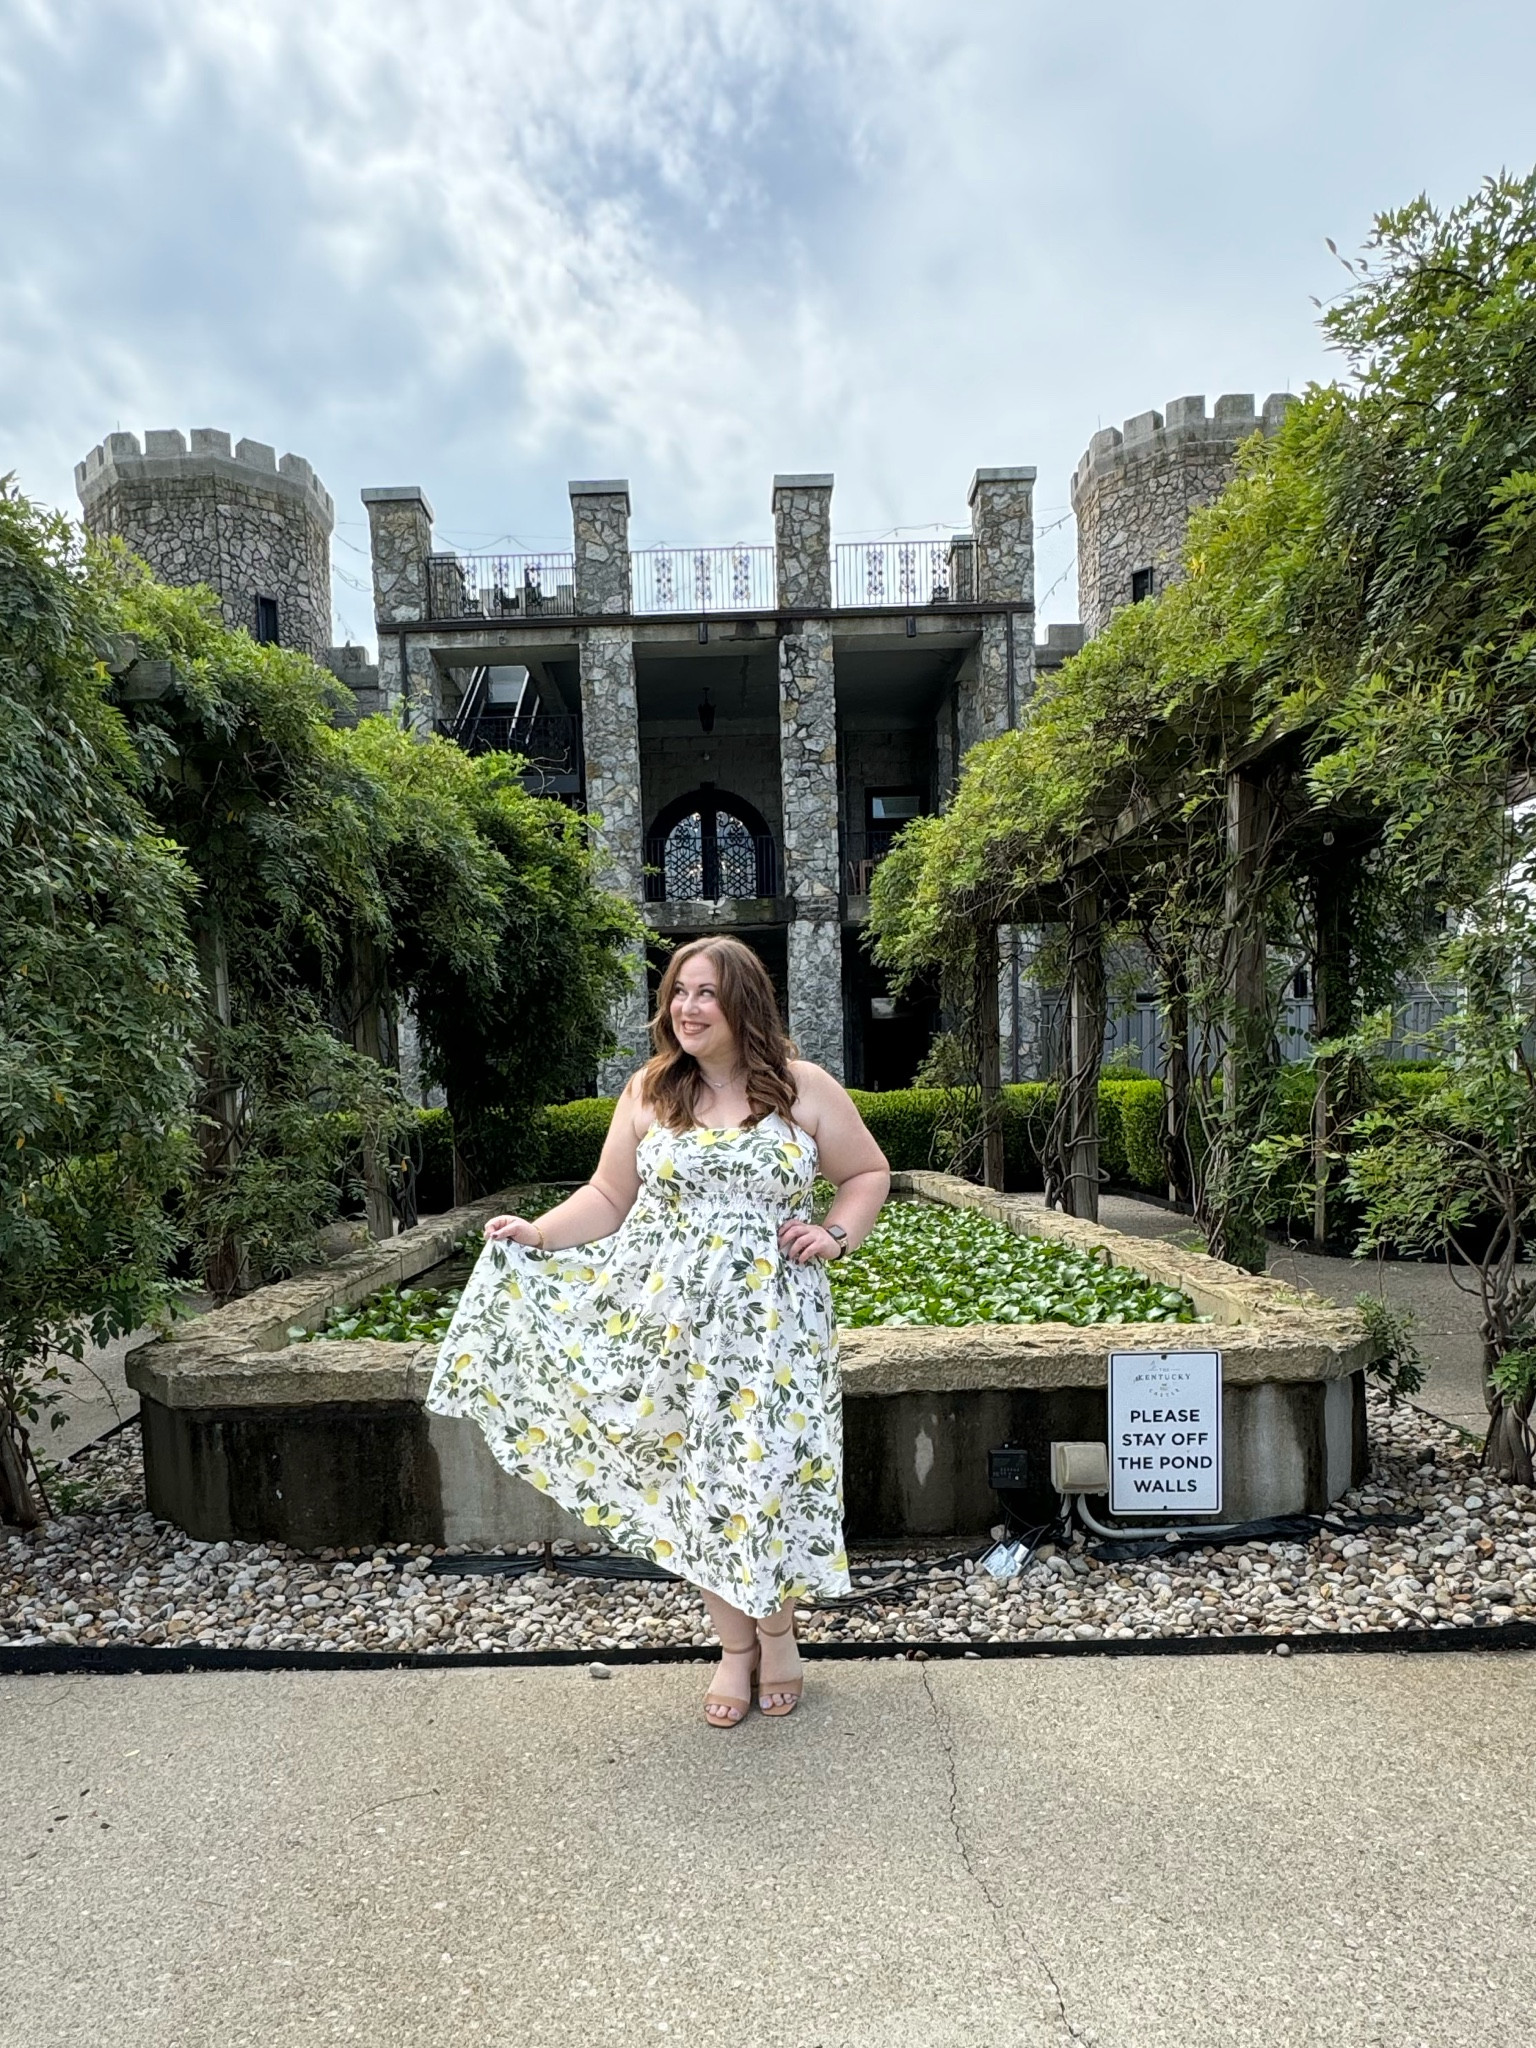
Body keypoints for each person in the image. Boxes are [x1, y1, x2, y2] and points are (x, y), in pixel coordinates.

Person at [426, 935, 890, 1726]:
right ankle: (734, 1649)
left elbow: (866, 1173)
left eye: (705, 992)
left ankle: (777, 1636)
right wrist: (536, 1234)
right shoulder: (651, 1090)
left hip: (774, 1334)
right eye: (678, 991)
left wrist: (836, 1234)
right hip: (671, 1331)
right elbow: (608, 1196)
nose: (687, 1007)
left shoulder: (802, 1087)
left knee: (766, 1478)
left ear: (743, 1002)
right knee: (696, 1483)